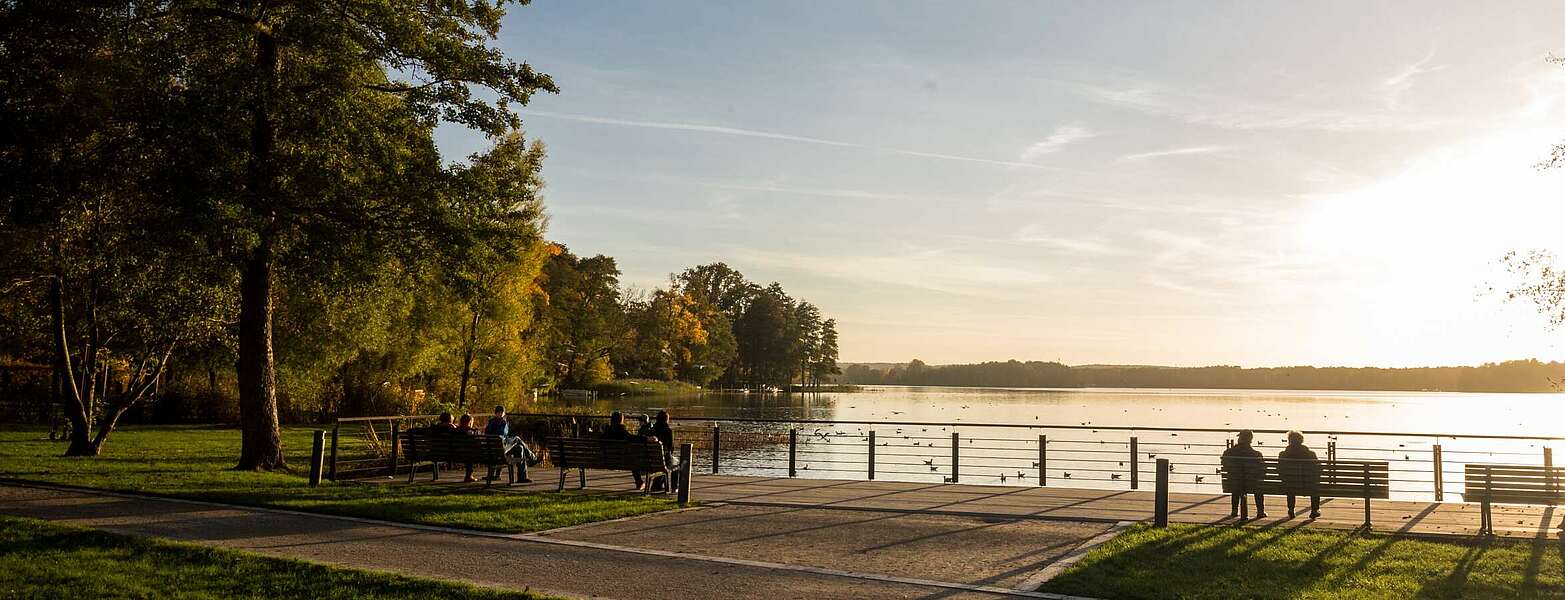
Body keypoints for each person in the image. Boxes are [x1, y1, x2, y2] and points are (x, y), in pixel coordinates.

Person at [1221, 430, 1266, 520]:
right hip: (1252, 483)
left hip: (1233, 483)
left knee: (1236, 484)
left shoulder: (1228, 453)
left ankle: (1234, 510)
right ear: (1250, 440)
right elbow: (1263, 470)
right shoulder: (1256, 454)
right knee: (1258, 486)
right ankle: (1260, 511)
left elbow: (1225, 467)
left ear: (1240, 439)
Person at [1278, 430, 1322, 519]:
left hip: (1289, 484)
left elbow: (1279, 470)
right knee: (1315, 486)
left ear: (1289, 440)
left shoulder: (1283, 454)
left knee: (1290, 484)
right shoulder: (1311, 454)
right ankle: (1314, 510)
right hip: (1308, 485)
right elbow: (1319, 469)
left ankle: (1291, 510)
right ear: (1301, 440)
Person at [600, 411, 644, 489]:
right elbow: (633, 438)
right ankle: (639, 482)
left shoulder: (606, 433)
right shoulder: (622, 432)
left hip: (605, 460)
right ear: (621, 420)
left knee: (632, 459)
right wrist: (646, 438)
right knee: (634, 460)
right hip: (622, 461)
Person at [649, 410, 678, 493]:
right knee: (676, 463)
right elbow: (671, 448)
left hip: (650, 460)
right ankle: (674, 487)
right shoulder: (668, 431)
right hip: (663, 460)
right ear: (667, 419)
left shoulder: (652, 430)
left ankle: (657, 485)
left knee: (663, 462)